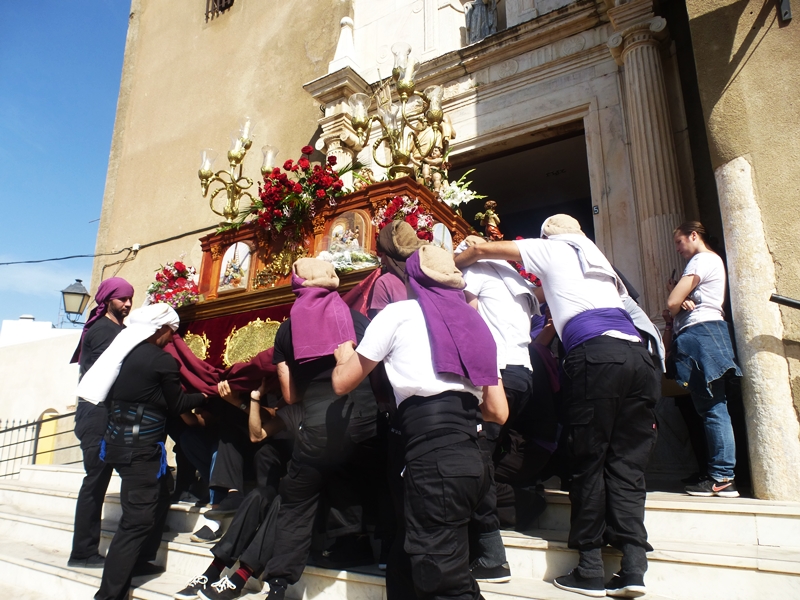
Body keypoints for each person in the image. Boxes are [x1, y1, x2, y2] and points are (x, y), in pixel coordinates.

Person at [455, 215, 660, 599]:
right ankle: (633, 565)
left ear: (548, 236)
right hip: (637, 358)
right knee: (627, 464)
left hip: (596, 359)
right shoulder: (599, 262)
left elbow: (482, 250)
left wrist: (453, 261)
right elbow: (540, 293)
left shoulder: (552, 249)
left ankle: (590, 567)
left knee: (589, 460)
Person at [332, 244, 508, 600]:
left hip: (431, 457)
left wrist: (343, 354)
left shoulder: (399, 314)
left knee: (442, 581)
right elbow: (498, 412)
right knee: (413, 558)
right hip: (472, 459)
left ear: (413, 279)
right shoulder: (476, 324)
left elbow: (342, 383)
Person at [257, 258, 379, 600]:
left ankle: (279, 584)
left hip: (317, 428)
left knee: (297, 500)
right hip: (364, 422)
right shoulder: (357, 320)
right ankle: (373, 549)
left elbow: (291, 394)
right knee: (359, 470)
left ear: (298, 286)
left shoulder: (287, 330)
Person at [77, 304, 209, 600]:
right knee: (135, 523)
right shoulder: (162, 361)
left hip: (116, 447)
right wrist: (206, 395)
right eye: (170, 333)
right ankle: (110, 594)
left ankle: (138, 562)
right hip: (141, 453)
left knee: (159, 495)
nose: (170, 339)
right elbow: (177, 404)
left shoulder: (123, 356)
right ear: (160, 330)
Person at [667, 221, 742, 498]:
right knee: (713, 407)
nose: (678, 249)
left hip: (702, 332)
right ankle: (721, 474)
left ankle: (722, 476)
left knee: (712, 409)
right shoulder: (711, 262)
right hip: (709, 332)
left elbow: (672, 302)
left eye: (679, 242)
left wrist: (679, 296)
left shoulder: (701, 259)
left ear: (694, 236)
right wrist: (684, 298)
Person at [68, 277, 134, 569]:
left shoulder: (116, 329)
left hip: (107, 414)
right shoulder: (104, 330)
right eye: (123, 299)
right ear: (109, 300)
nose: (128, 304)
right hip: (97, 415)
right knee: (95, 483)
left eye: (131, 299)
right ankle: (82, 552)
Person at [368, 220, 426, 319]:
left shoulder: (384, 283)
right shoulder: (431, 275)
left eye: (383, 255)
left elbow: (383, 326)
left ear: (391, 253)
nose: (382, 262)